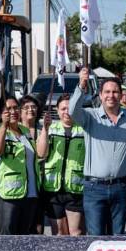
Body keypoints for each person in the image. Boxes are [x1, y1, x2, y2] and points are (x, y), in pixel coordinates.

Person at [70, 68, 126, 236]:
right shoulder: (90, 116)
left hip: (120, 188)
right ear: (100, 94)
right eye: (107, 92)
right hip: (94, 188)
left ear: (121, 95)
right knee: (96, 239)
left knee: (117, 238)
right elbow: (72, 111)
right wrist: (81, 86)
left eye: (115, 92)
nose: (111, 95)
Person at [0, 96, 39, 235]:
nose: (13, 111)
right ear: (1, 113)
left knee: (24, 238)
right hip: (7, 195)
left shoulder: (25, 131)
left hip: (29, 194)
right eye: (8, 109)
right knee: (7, 238)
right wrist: (4, 126)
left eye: (16, 107)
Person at [37, 94, 86, 236]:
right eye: (63, 108)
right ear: (57, 110)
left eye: (69, 108)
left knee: (76, 233)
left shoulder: (82, 130)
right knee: (58, 233)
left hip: (75, 189)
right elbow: (41, 153)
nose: (66, 111)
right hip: (53, 190)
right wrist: (45, 129)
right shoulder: (50, 129)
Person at [18, 95, 44, 234]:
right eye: (26, 107)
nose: (30, 110)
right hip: (18, 188)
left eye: (33, 107)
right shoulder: (15, 131)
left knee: (37, 228)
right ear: (20, 111)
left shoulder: (42, 131)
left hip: (38, 187)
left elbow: (42, 154)